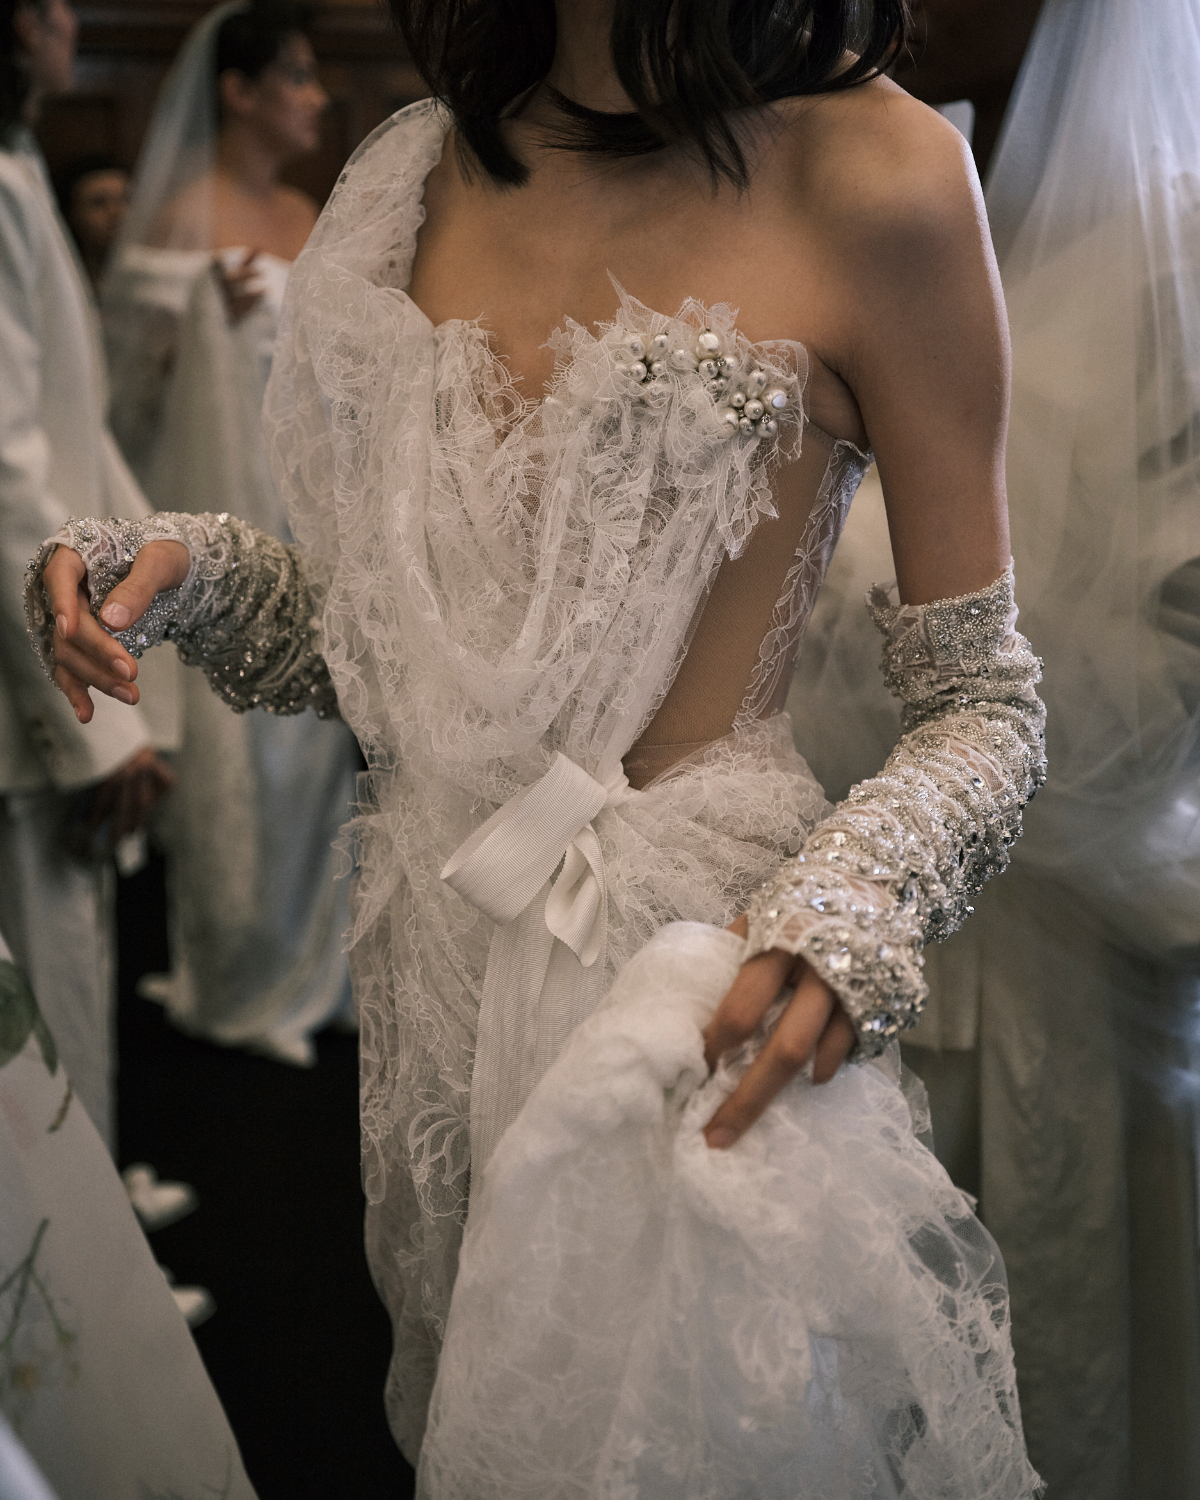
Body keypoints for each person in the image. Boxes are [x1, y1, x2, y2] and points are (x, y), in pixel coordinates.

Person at [30, 0, 1048, 1491]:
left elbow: (985, 703)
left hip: (700, 995)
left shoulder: (875, 172)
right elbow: (407, 670)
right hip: (437, 976)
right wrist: (193, 571)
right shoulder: (420, 172)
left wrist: (853, 905)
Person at [790, 1, 1200, 1495]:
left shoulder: (1176, 235)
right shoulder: (885, 192)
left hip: (1058, 922)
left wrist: (899, 637)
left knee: (1053, 1349)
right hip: (843, 890)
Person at [102, 0, 361, 1066]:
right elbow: (118, 400)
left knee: (319, 737)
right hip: (215, 510)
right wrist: (193, 326)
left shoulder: (307, 214)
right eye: (295, 77)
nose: (316, 99)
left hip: (312, 510)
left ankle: (317, 967)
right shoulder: (179, 218)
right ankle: (239, 966)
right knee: (238, 740)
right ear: (238, 92)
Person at [0, 0, 179, 1152]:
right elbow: (9, 468)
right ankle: (73, 1245)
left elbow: (71, 435)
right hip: (26, 677)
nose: (69, 19)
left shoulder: (19, 166)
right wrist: (98, 721)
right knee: (46, 975)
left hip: (46, 636)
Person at [54, 152, 129, 288]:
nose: (117, 212)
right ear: (71, 216)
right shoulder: (60, 283)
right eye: (99, 203)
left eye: (126, 199)